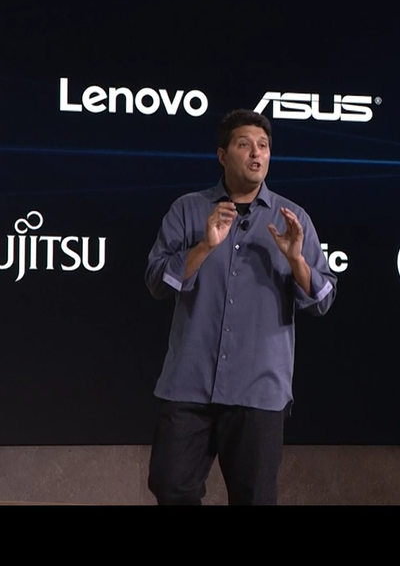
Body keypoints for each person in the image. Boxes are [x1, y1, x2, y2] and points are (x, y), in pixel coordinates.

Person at [144, 108, 338, 505]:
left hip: (258, 390)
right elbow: (157, 282)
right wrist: (204, 246)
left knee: (254, 498)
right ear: (222, 155)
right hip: (189, 384)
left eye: (263, 146)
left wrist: (296, 259)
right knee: (169, 486)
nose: (256, 154)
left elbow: (322, 300)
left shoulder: (293, 218)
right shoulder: (188, 210)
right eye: (245, 144)